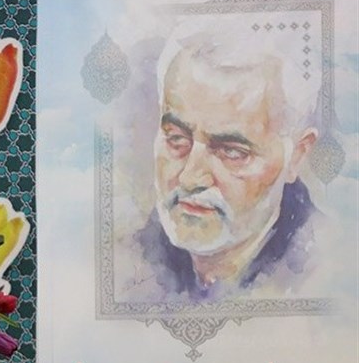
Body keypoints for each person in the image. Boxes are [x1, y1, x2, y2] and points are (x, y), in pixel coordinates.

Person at [131, 19, 324, 303]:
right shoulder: (127, 264)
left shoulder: (328, 270)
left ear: (297, 155)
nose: (190, 178)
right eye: (177, 139)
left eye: (232, 152)